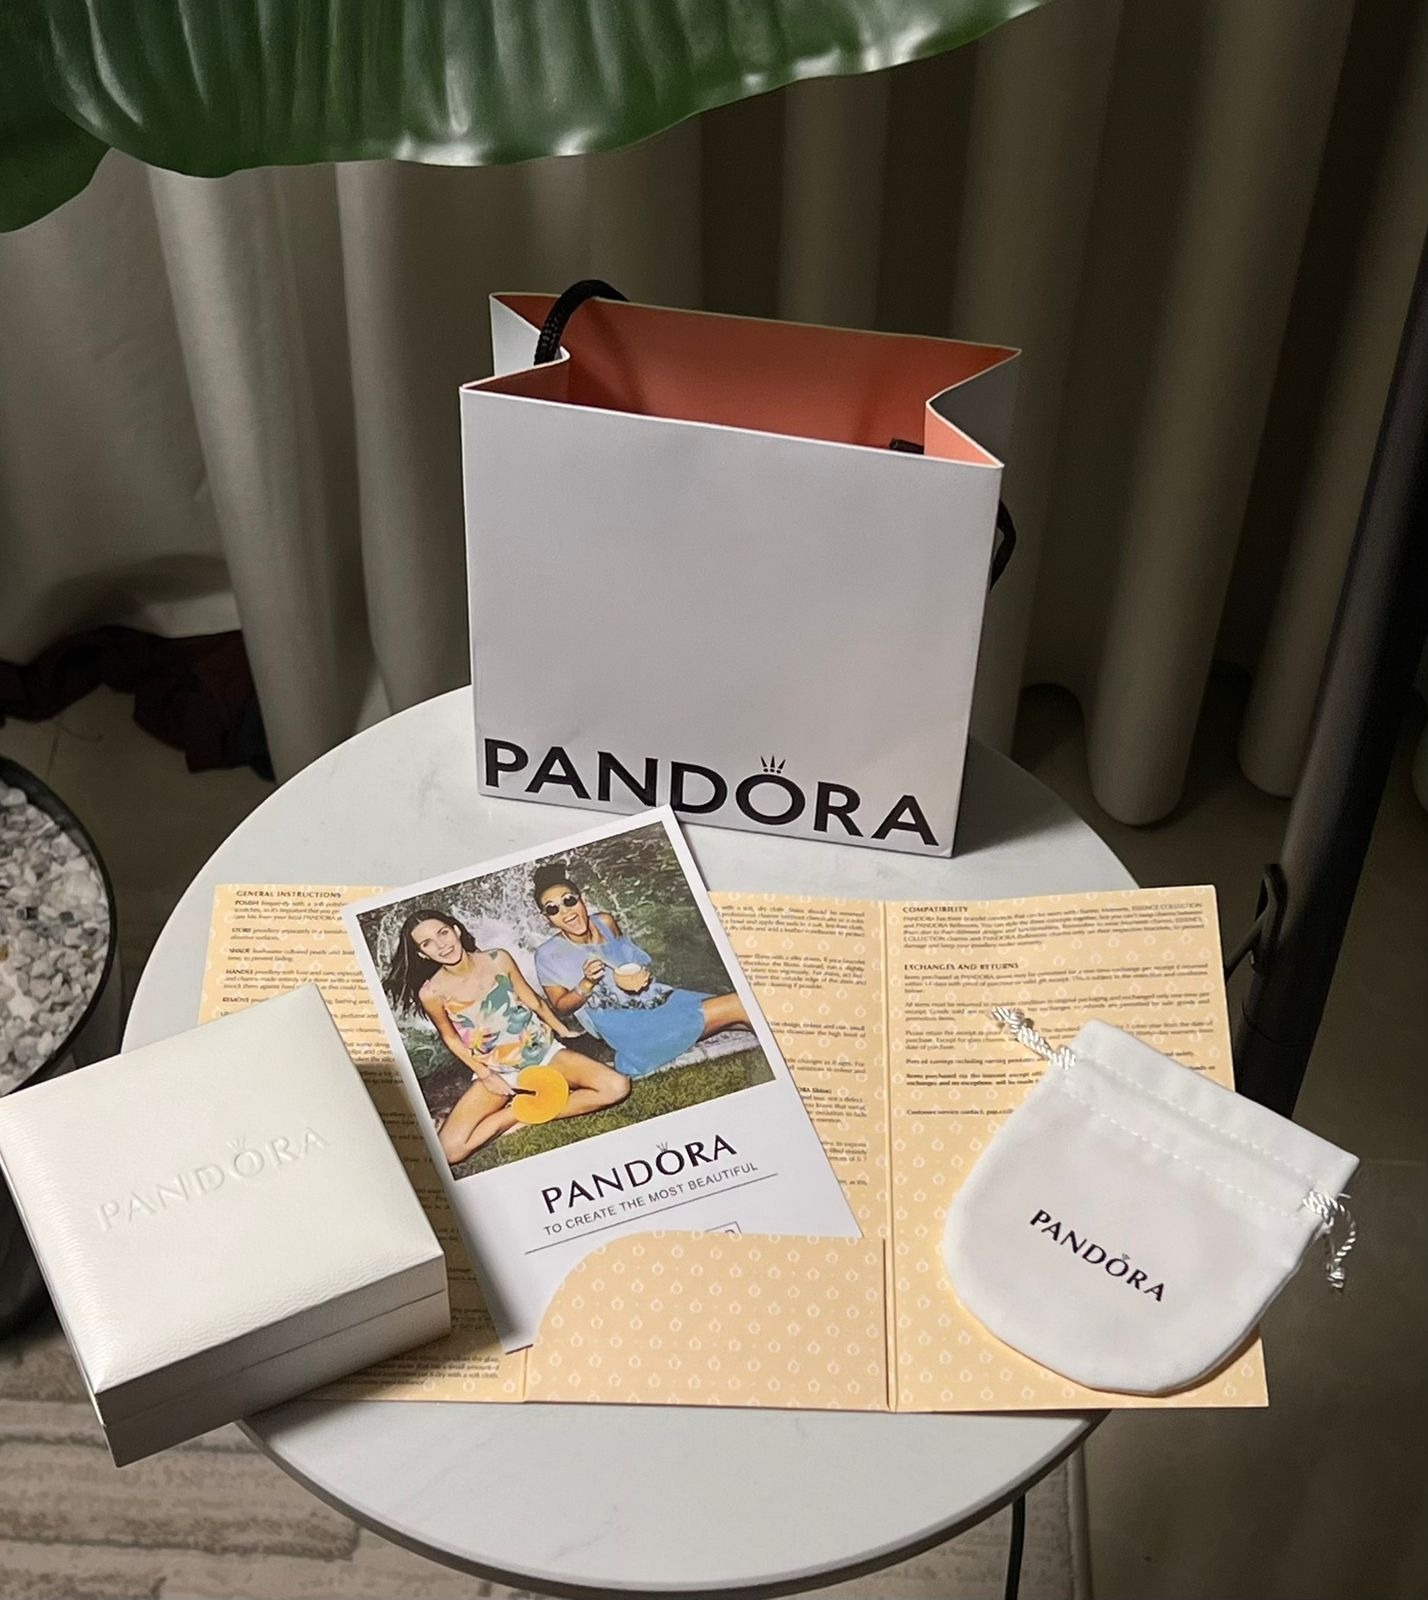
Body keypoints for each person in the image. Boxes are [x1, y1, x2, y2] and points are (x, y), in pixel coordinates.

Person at [384, 905, 629, 1166]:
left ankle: (534, 1108)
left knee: (616, 1087)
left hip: (544, 1053)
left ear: (456, 930)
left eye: (443, 933)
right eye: (427, 943)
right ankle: (520, 1110)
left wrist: (562, 1030)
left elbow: (533, 1001)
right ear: (422, 954)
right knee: (449, 1151)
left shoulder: (497, 958)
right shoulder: (431, 993)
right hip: (498, 1071)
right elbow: (451, 1038)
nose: (441, 945)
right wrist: (486, 1075)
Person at [532, 862, 750, 1078]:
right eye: (553, 909)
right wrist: (586, 984)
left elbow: (631, 963)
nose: (566, 912)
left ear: (583, 900)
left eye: (569, 900)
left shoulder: (605, 922)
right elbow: (561, 1007)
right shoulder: (547, 955)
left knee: (744, 1015)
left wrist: (639, 975)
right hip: (632, 1030)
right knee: (740, 1004)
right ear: (547, 919)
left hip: (658, 1002)